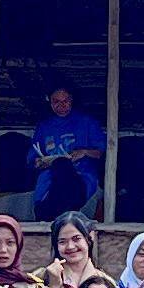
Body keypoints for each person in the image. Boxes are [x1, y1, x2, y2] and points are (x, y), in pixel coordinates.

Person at [24, 84, 106, 219]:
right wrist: (39, 162)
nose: (61, 105)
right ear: (50, 102)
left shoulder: (87, 122)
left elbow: (101, 152)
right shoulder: (44, 126)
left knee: (63, 165)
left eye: (65, 101)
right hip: (49, 185)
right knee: (59, 165)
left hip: (80, 180)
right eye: (56, 101)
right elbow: (33, 158)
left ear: (72, 100)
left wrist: (84, 152)